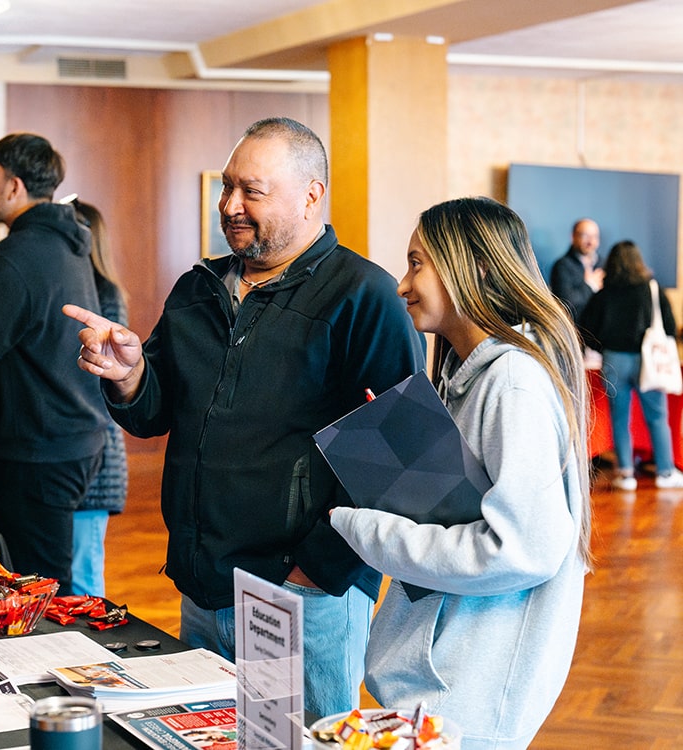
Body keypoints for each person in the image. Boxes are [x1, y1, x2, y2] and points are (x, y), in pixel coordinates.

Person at [64, 117, 426, 716]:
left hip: (306, 594)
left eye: (250, 191)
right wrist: (129, 374)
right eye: (226, 187)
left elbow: (399, 458)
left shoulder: (365, 297)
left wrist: (314, 571)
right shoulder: (198, 288)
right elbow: (154, 413)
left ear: (312, 196)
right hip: (203, 584)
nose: (229, 205)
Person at [329, 197, 592, 749]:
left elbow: (526, 547)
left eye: (416, 263)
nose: (402, 285)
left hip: (465, 699)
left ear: (468, 267)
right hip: (441, 685)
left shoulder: (512, 382)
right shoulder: (475, 379)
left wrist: (369, 532)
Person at [0, 133, 107, 596]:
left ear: (14, 186)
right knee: (41, 579)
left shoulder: (17, 255)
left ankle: (44, 668)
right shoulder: (69, 245)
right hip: (70, 439)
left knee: (36, 589)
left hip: (35, 450)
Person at [579, 240, 683, 491]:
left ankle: (625, 474)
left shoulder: (604, 294)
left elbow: (586, 328)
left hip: (614, 360)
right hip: (647, 360)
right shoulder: (652, 290)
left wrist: (604, 347)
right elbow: (669, 326)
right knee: (657, 416)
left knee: (619, 417)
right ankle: (665, 471)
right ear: (638, 261)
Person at [69, 198, 129, 597]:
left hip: (95, 453)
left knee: (84, 579)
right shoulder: (90, 289)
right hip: (86, 450)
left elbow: (100, 379)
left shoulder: (101, 294)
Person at [549, 217, 604, 323]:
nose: (590, 241)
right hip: (576, 330)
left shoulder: (604, 264)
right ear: (573, 237)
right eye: (585, 236)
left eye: (594, 236)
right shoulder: (562, 266)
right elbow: (566, 304)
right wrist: (589, 286)